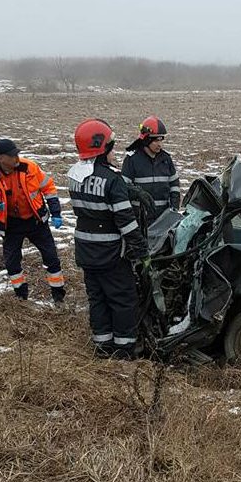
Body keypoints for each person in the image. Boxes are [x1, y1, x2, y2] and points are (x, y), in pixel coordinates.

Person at [68, 119, 150, 360]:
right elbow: (126, 222)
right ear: (101, 149)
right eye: (111, 148)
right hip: (111, 254)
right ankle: (124, 350)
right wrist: (141, 250)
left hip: (86, 250)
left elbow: (96, 186)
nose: (114, 153)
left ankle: (102, 347)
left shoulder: (75, 175)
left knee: (98, 299)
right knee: (123, 300)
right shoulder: (113, 181)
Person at [0, 138, 65, 302]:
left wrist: (56, 213)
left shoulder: (30, 167)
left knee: (51, 257)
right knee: (12, 263)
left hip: (36, 221)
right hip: (10, 225)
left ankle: (59, 297)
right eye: (12, 155)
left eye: (17, 153)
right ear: (0, 158)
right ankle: (21, 297)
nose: (17, 158)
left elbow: (49, 189)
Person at [122, 115, 180, 225]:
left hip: (163, 220)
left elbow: (174, 184)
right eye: (156, 141)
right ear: (146, 140)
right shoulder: (132, 160)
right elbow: (123, 188)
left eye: (161, 140)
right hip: (140, 221)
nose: (160, 144)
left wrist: (174, 207)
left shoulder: (166, 159)